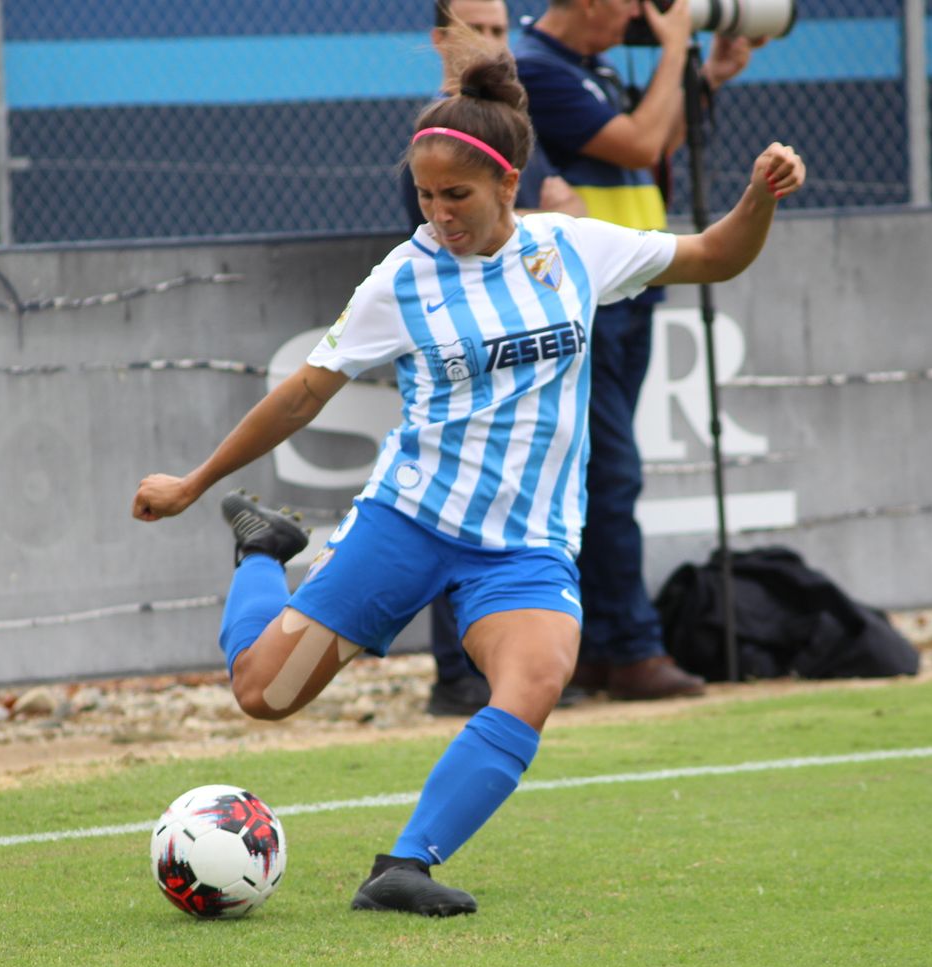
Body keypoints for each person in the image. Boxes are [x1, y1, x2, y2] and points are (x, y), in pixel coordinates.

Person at [131, 47, 803, 917]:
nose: (440, 215)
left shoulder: (572, 247)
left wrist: (758, 198)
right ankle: (261, 552)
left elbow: (716, 255)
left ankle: (403, 865)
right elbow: (303, 393)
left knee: (537, 678)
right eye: (425, 196)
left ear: (508, 183)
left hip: (524, 543)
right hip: (409, 521)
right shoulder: (401, 281)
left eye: (458, 196)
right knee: (264, 696)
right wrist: (194, 482)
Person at [514, 0, 763, 701]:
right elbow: (637, 142)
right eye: (629, 1)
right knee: (612, 474)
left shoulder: (590, 68)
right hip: (587, 301)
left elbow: (654, 146)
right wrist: (675, 50)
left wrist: (706, 75)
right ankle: (629, 649)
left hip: (629, 294)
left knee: (605, 475)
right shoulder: (539, 73)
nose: (643, 13)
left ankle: (597, 650)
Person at [409, 0, 586, 718]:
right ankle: (457, 674)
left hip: (529, 372)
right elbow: (442, 254)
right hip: (458, 374)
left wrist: (558, 233)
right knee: (446, 516)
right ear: (440, 39)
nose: (492, 43)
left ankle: (521, 671)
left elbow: (528, 238)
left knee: (525, 520)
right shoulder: (435, 140)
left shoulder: (506, 128)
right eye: (475, 29)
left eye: (501, 29)